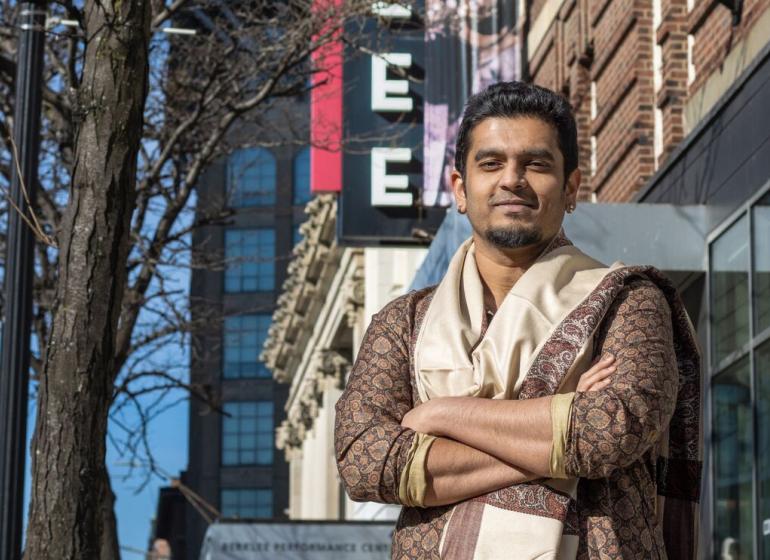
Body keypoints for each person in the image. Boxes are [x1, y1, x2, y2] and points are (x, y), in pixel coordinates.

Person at [334, 81, 701, 559]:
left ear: (570, 188)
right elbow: (366, 461)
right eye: (491, 163)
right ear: (460, 189)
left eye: (536, 163)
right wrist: (557, 421)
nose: (512, 179)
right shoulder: (403, 323)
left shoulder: (627, 301)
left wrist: (443, 416)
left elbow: (613, 429)